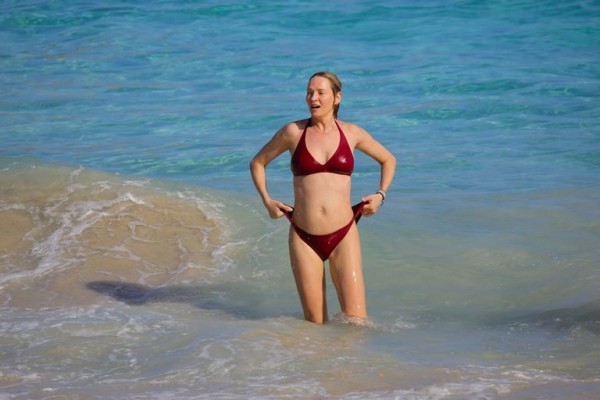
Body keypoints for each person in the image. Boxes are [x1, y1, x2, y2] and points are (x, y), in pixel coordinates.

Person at [250, 71, 396, 324]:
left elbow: (388, 159)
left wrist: (380, 194)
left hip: (344, 233)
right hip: (304, 236)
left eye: (320, 93)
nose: (313, 98)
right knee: (315, 325)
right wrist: (267, 200)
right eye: (309, 93)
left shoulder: (352, 133)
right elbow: (258, 162)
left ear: (337, 97)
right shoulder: (293, 132)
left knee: (357, 321)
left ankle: (349, 354)